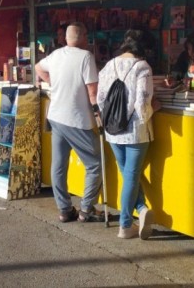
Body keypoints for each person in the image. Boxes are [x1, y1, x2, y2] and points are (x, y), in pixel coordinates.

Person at [35, 22, 104, 223]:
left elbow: (39, 67)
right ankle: (86, 208)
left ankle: (64, 209)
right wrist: (98, 114)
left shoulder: (56, 55)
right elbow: (93, 91)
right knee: (94, 164)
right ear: (83, 37)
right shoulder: (86, 57)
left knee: (58, 165)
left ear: (66, 38)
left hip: (56, 116)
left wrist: (52, 82)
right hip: (76, 118)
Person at [97, 28, 159, 239]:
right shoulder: (143, 67)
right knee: (131, 177)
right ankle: (125, 225)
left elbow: (100, 99)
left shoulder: (107, 66)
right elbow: (142, 103)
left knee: (128, 175)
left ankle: (141, 210)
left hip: (113, 131)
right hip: (136, 132)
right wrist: (154, 109)